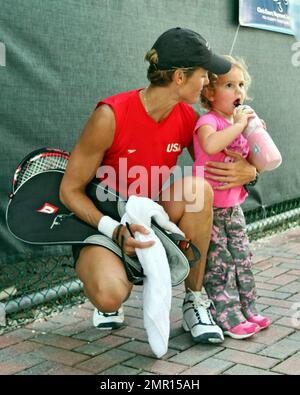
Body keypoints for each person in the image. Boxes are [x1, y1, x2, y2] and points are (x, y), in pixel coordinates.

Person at [59, 27, 257, 345]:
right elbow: (69, 190)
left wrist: (250, 171)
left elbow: (218, 165)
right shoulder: (110, 115)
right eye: (203, 74)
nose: (207, 82)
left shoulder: (187, 118)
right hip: (103, 223)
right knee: (109, 295)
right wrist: (113, 229)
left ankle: (194, 300)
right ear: (180, 77)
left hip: (150, 218)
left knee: (198, 190)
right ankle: (111, 283)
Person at [193, 55, 271, 339]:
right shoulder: (208, 121)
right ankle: (226, 314)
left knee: (242, 258)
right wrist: (239, 126)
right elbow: (211, 144)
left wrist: (257, 136)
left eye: (241, 84)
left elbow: (252, 162)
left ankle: (248, 308)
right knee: (220, 262)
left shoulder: (237, 123)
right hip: (211, 209)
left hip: (234, 206)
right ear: (210, 92)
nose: (238, 91)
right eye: (229, 85)